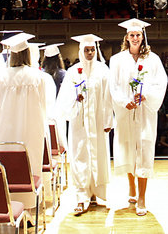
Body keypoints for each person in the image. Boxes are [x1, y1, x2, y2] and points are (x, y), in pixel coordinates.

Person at [109, 18, 168, 216]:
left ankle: (142, 196)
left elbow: (161, 84)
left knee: (143, 150)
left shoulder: (153, 60)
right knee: (127, 149)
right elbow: (114, 86)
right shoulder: (117, 60)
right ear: (126, 37)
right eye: (132, 35)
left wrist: (146, 95)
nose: (135, 38)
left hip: (144, 113)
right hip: (126, 112)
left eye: (138, 35)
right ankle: (131, 187)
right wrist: (123, 102)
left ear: (143, 37)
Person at [55, 34, 113, 215]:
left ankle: (96, 193)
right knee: (80, 156)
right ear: (81, 51)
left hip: (97, 122)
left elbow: (109, 97)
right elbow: (64, 98)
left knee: (98, 155)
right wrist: (76, 98)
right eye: (86, 50)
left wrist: (108, 120)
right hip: (79, 123)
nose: (89, 53)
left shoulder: (103, 70)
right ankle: (81, 197)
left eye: (92, 50)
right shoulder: (73, 72)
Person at [0, 32, 47, 181]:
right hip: (31, 127)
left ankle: (8, 198)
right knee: (31, 164)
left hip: (7, 127)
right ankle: (30, 201)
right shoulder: (37, 76)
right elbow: (43, 105)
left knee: (9, 164)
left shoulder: (1, 76)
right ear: (27, 53)